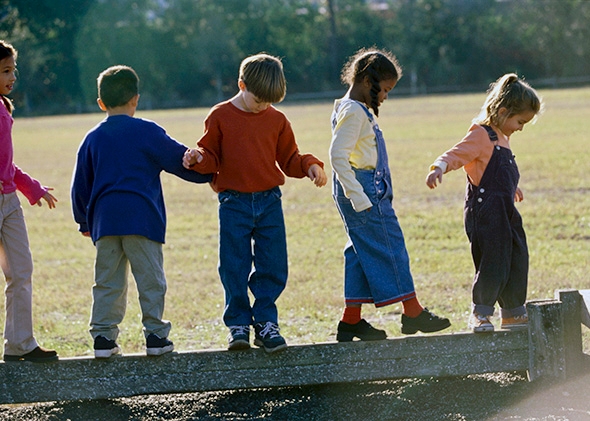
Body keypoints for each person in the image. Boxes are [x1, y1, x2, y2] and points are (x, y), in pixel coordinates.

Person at [183, 53, 327, 353]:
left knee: (273, 264)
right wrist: (197, 157)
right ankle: (237, 325)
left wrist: (310, 165)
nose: (262, 105)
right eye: (258, 99)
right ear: (241, 85)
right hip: (233, 202)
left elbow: (289, 158)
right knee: (234, 265)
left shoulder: (277, 119)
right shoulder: (220, 115)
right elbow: (210, 155)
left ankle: (265, 322)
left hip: (269, 201)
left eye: (269, 101)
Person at [71, 65, 212, 358]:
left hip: (105, 222)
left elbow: (80, 184)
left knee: (107, 282)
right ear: (136, 98)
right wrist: (209, 174)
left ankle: (103, 339)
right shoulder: (147, 131)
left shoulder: (93, 138)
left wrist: (84, 221)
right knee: (150, 280)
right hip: (142, 219)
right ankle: (156, 336)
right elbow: (180, 161)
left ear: (101, 103)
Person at [329, 48, 450, 341]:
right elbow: (336, 155)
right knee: (391, 244)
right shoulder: (354, 111)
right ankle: (412, 312)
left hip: (365, 186)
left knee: (360, 251)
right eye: (384, 89)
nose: (385, 97)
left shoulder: (351, 108)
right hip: (363, 189)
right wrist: (358, 196)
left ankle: (351, 320)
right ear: (367, 81)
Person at [425, 73, 542, 333]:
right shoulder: (482, 135)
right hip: (486, 213)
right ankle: (480, 312)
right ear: (502, 111)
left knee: (517, 257)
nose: (521, 127)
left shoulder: (504, 139)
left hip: (506, 212)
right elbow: (456, 154)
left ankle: (513, 312)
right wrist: (439, 167)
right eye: (520, 121)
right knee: (494, 261)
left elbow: (497, 172)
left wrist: (513, 188)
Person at [0, 40, 59, 363]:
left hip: (9, 202)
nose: (12, 77)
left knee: (21, 271)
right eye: (6, 71)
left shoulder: (3, 107)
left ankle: (19, 343)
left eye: (13, 70)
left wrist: (33, 188)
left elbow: (7, 163)